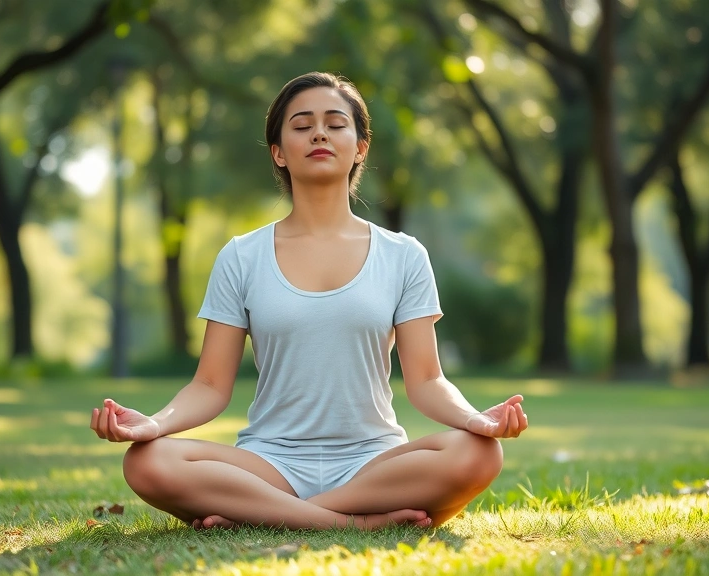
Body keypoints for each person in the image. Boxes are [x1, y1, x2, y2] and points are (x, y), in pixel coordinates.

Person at [90, 71, 528, 531]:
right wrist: (155, 425)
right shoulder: (241, 256)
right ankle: (351, 523)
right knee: (146, 462)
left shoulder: (404, 256)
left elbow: (426, 380)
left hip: (373, 464)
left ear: (360, 146)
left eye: (336, 123)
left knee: (479, 453)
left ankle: (261, 514)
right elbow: (210, 386)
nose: (319, 132)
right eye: (301, 125)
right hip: (268, 464)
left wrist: (475, 420)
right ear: (279, 152)